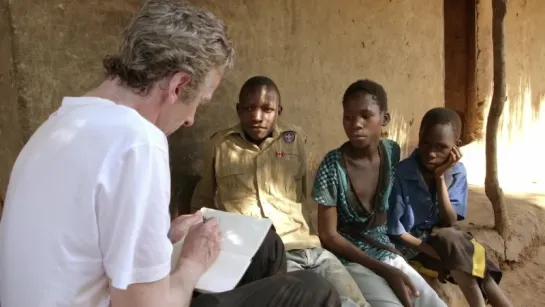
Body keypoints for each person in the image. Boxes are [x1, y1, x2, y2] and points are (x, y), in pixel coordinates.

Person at [0, 2, 341, 307]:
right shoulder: (138, 141)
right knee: (312, 289)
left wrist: (163, 236)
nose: (191, 119)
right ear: (178, 86)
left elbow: (84, 245)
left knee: (265, 246)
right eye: (198, 102)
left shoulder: (59, 123)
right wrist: (192, 262)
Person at [190, 76, 367, 307]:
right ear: (238, 110)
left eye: (267, 109)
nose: (257, 116)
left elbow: (301, 197)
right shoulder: (220, 146)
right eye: (249, 108)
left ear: (279, 111)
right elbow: (201, 203)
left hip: (311, 248)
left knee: (358, 302)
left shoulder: (294, 143)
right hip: (271, 255)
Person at [313, 79, 447, 307]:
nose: (356, 124)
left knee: (433, 303)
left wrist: (441, 174)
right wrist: (385, 271)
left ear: (384, 118)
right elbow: (329, 236)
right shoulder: (332, 165)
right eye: (348, 117)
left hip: (387, 250)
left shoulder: (391, 151)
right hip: (351, 259)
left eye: (366, 116)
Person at [387, 107, 513, 307]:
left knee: (456, 243)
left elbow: (450, 220)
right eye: (426, 143)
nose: (431, 153)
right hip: (413, 248)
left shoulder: (457, 172)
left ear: (456, 146)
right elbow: (397, 232)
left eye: (441, 147)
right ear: (418, 137)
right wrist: (439, 254)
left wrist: (440, 178)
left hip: (444, 240)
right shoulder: (402, 174)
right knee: (460, 250)